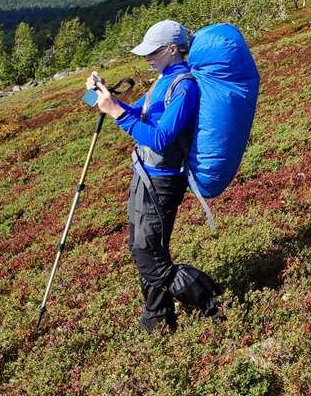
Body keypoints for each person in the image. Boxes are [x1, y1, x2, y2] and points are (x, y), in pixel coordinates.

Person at [87, 19, 220, 333]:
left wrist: (116, 113)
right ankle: (157, 320)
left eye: (154, 51)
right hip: (144, 175)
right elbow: (139, 115)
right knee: (141, 247)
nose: (147, 57)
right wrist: (106, 99)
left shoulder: (184, 86)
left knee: (149, 254)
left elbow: (162, 138)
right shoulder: (162, 79)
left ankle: (212, 300)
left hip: (163, 181)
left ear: (173, 49)